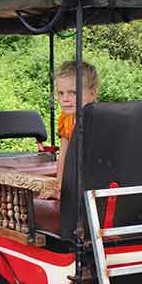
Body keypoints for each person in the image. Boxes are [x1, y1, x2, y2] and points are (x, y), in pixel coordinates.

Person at [51, 60, 99, 197]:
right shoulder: (67, 119)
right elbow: (64, 155)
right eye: (60, 93)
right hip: (74, 179)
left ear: (92, 93)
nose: (65, 99)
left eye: (72, 93)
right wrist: (59, 186)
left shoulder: (99, 118)